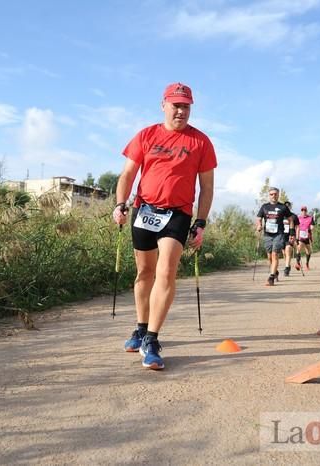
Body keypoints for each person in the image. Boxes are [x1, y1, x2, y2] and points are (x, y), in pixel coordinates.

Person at [112, 82, 217, 370]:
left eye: (186, 106)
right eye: (176, 105)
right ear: (164, 105)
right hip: (144, 210)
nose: (181, 110)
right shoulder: (146, 135)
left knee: (166, 270)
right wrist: (120, 204)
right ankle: (141, 327)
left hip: (178, 214)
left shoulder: (201, 142)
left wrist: (201, 222)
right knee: (144, 272)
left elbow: (206, 187)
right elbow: (128, 174)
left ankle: (153, 339)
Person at [256, 188, 291, 286]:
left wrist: (292, 232)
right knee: (269, 257)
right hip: (267, 234)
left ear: (278, 195)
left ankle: (271, 278)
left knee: (275, 254)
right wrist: (259, 225)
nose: (273, 196)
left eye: (275, 194)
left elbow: (291, 219)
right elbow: (259, 218)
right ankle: (275, 272)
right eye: (271, 194)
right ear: (269, 195)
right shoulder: (264, 207)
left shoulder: (283, 207)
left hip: (279, 234)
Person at [295, 206, 315, 271]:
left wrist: (311, 228)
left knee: (308, 251)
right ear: (301, 211)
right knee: (299, 247)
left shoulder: (310, 218)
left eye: (305, 210)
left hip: (307, 236)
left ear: (306, 211)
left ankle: (307, 264)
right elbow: (296, 226)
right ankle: (298, 263)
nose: (304, 211)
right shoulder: (298, 218)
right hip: (300, 236)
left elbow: (312, 226)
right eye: (302, 210)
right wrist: (295, 236)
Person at [283, 205, 299, 277]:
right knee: (284, 254)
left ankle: (286, 268)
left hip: (290, 236)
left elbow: (297, 227)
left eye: (288, 206)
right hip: (281, 236)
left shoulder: (294, 216)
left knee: (288, 250)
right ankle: (288, 265)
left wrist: (297, 237)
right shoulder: (280, 215)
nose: (286, 208)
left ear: (290, 208)